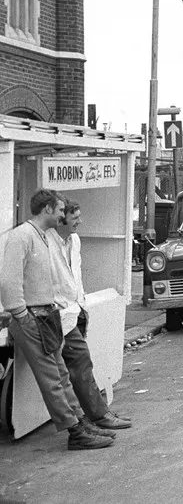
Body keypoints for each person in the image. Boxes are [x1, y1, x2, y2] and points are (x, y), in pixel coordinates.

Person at [0, 189, 112, 450]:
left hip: (46, 314)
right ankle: (74, 431)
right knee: (51, 377)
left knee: (61, 372)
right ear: (47, 209)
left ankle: (79, 422)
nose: (63, 215)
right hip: (32, 316)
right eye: (60, 210)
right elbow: (8, 281)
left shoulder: (40, 237)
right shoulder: (22, 237)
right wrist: (20, 314)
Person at [48, 199, 132, 432]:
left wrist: (81, 303)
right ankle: (96, 416)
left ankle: (87, 417)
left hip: (74, 310)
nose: (80, 222)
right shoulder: (47, 242)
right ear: (61, 219)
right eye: (75, 218)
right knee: (79, 362)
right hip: (57, 313)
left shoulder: (73, 241)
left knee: (72, 368)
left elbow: (76, 275)